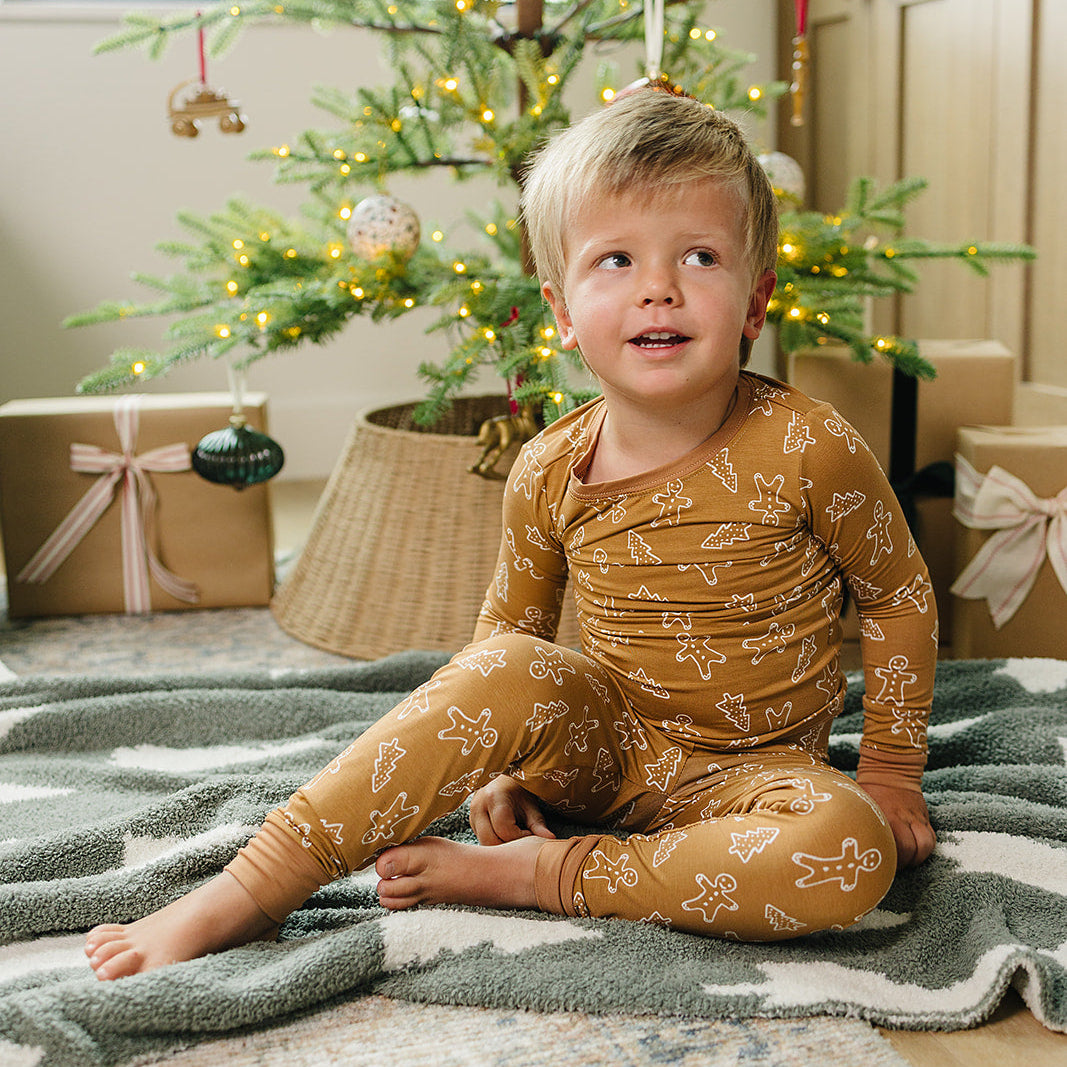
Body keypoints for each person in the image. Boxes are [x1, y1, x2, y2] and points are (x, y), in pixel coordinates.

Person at [86, 89, 937, 980]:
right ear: (562, 313)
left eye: (699, 255)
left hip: (757, 781)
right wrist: (500, 768)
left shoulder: (808, 445)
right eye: (615, 259)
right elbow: (508, 644)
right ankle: (255, 885)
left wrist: (887, 771)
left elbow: (899, 597)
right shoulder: (547, 466)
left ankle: (542, 876)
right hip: (604, 753)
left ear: (754, 301)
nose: (659, 286)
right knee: (503, 667)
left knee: (850, 848)